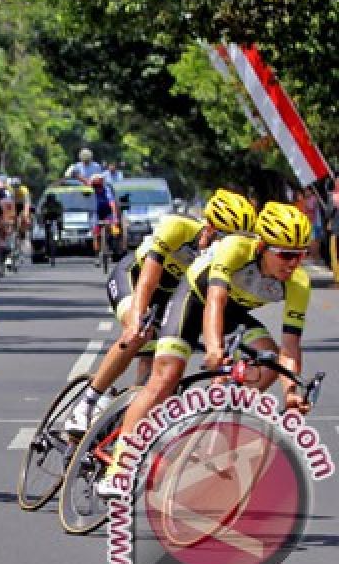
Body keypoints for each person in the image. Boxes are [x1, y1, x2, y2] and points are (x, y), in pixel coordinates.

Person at [97, 202, 316, 499]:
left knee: (269, 364)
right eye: (286, 255)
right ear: (262, 246)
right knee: (166, 377)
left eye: (300, 255)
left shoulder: (299, 282)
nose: (293, 263)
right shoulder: (236, 250)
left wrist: (290, 390)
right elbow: (215, 302)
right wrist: (214, 350)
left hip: (233, 313)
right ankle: (120, 468)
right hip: (194, 299)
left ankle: (211, 422)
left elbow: (290, 348)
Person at [64, 189, 257, 433]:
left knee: (158, 368)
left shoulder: (229, 259)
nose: (227, 247)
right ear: (208, 228)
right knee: (138, 335)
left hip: (170, 298)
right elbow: (148, 278)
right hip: (134, 280)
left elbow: (213, 306)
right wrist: (136, 318)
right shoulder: (178, 228)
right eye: (223, 238)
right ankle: (87, 402)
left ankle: (126, 424)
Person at [88, 173, 120, 257]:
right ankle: (97, 255)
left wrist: (115, 217)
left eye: (100, 182)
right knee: (96, 234)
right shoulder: (90, 190)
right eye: (96, 184)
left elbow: (112, 203)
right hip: (96, 213)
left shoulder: (107, 190)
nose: (98, 186)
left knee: (114, 230)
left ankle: (112, 244)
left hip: (107, 212)